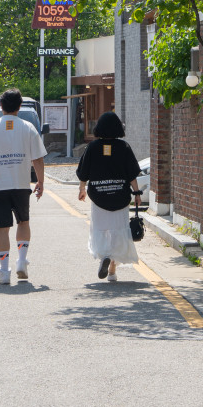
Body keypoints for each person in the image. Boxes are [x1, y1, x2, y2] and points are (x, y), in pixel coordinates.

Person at [0, 89, 46, 285]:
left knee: (2, 229)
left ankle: (4, 272)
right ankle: (22, 261)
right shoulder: (28, 127)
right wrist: (40, 181)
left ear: (1, 106)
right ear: (20, 106)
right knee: (23, 222)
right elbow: (38, 158)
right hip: (21, 185)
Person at [76, 111, 142, 281]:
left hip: (99, 198)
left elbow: (83, 172)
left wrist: (82, 189)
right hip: (120, 196)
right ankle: (112, 267)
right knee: (118, 230)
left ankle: (104, 256)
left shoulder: (92, 147)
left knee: (100, 229)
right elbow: (132, 173)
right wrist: (136, 193)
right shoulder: (124, 147)